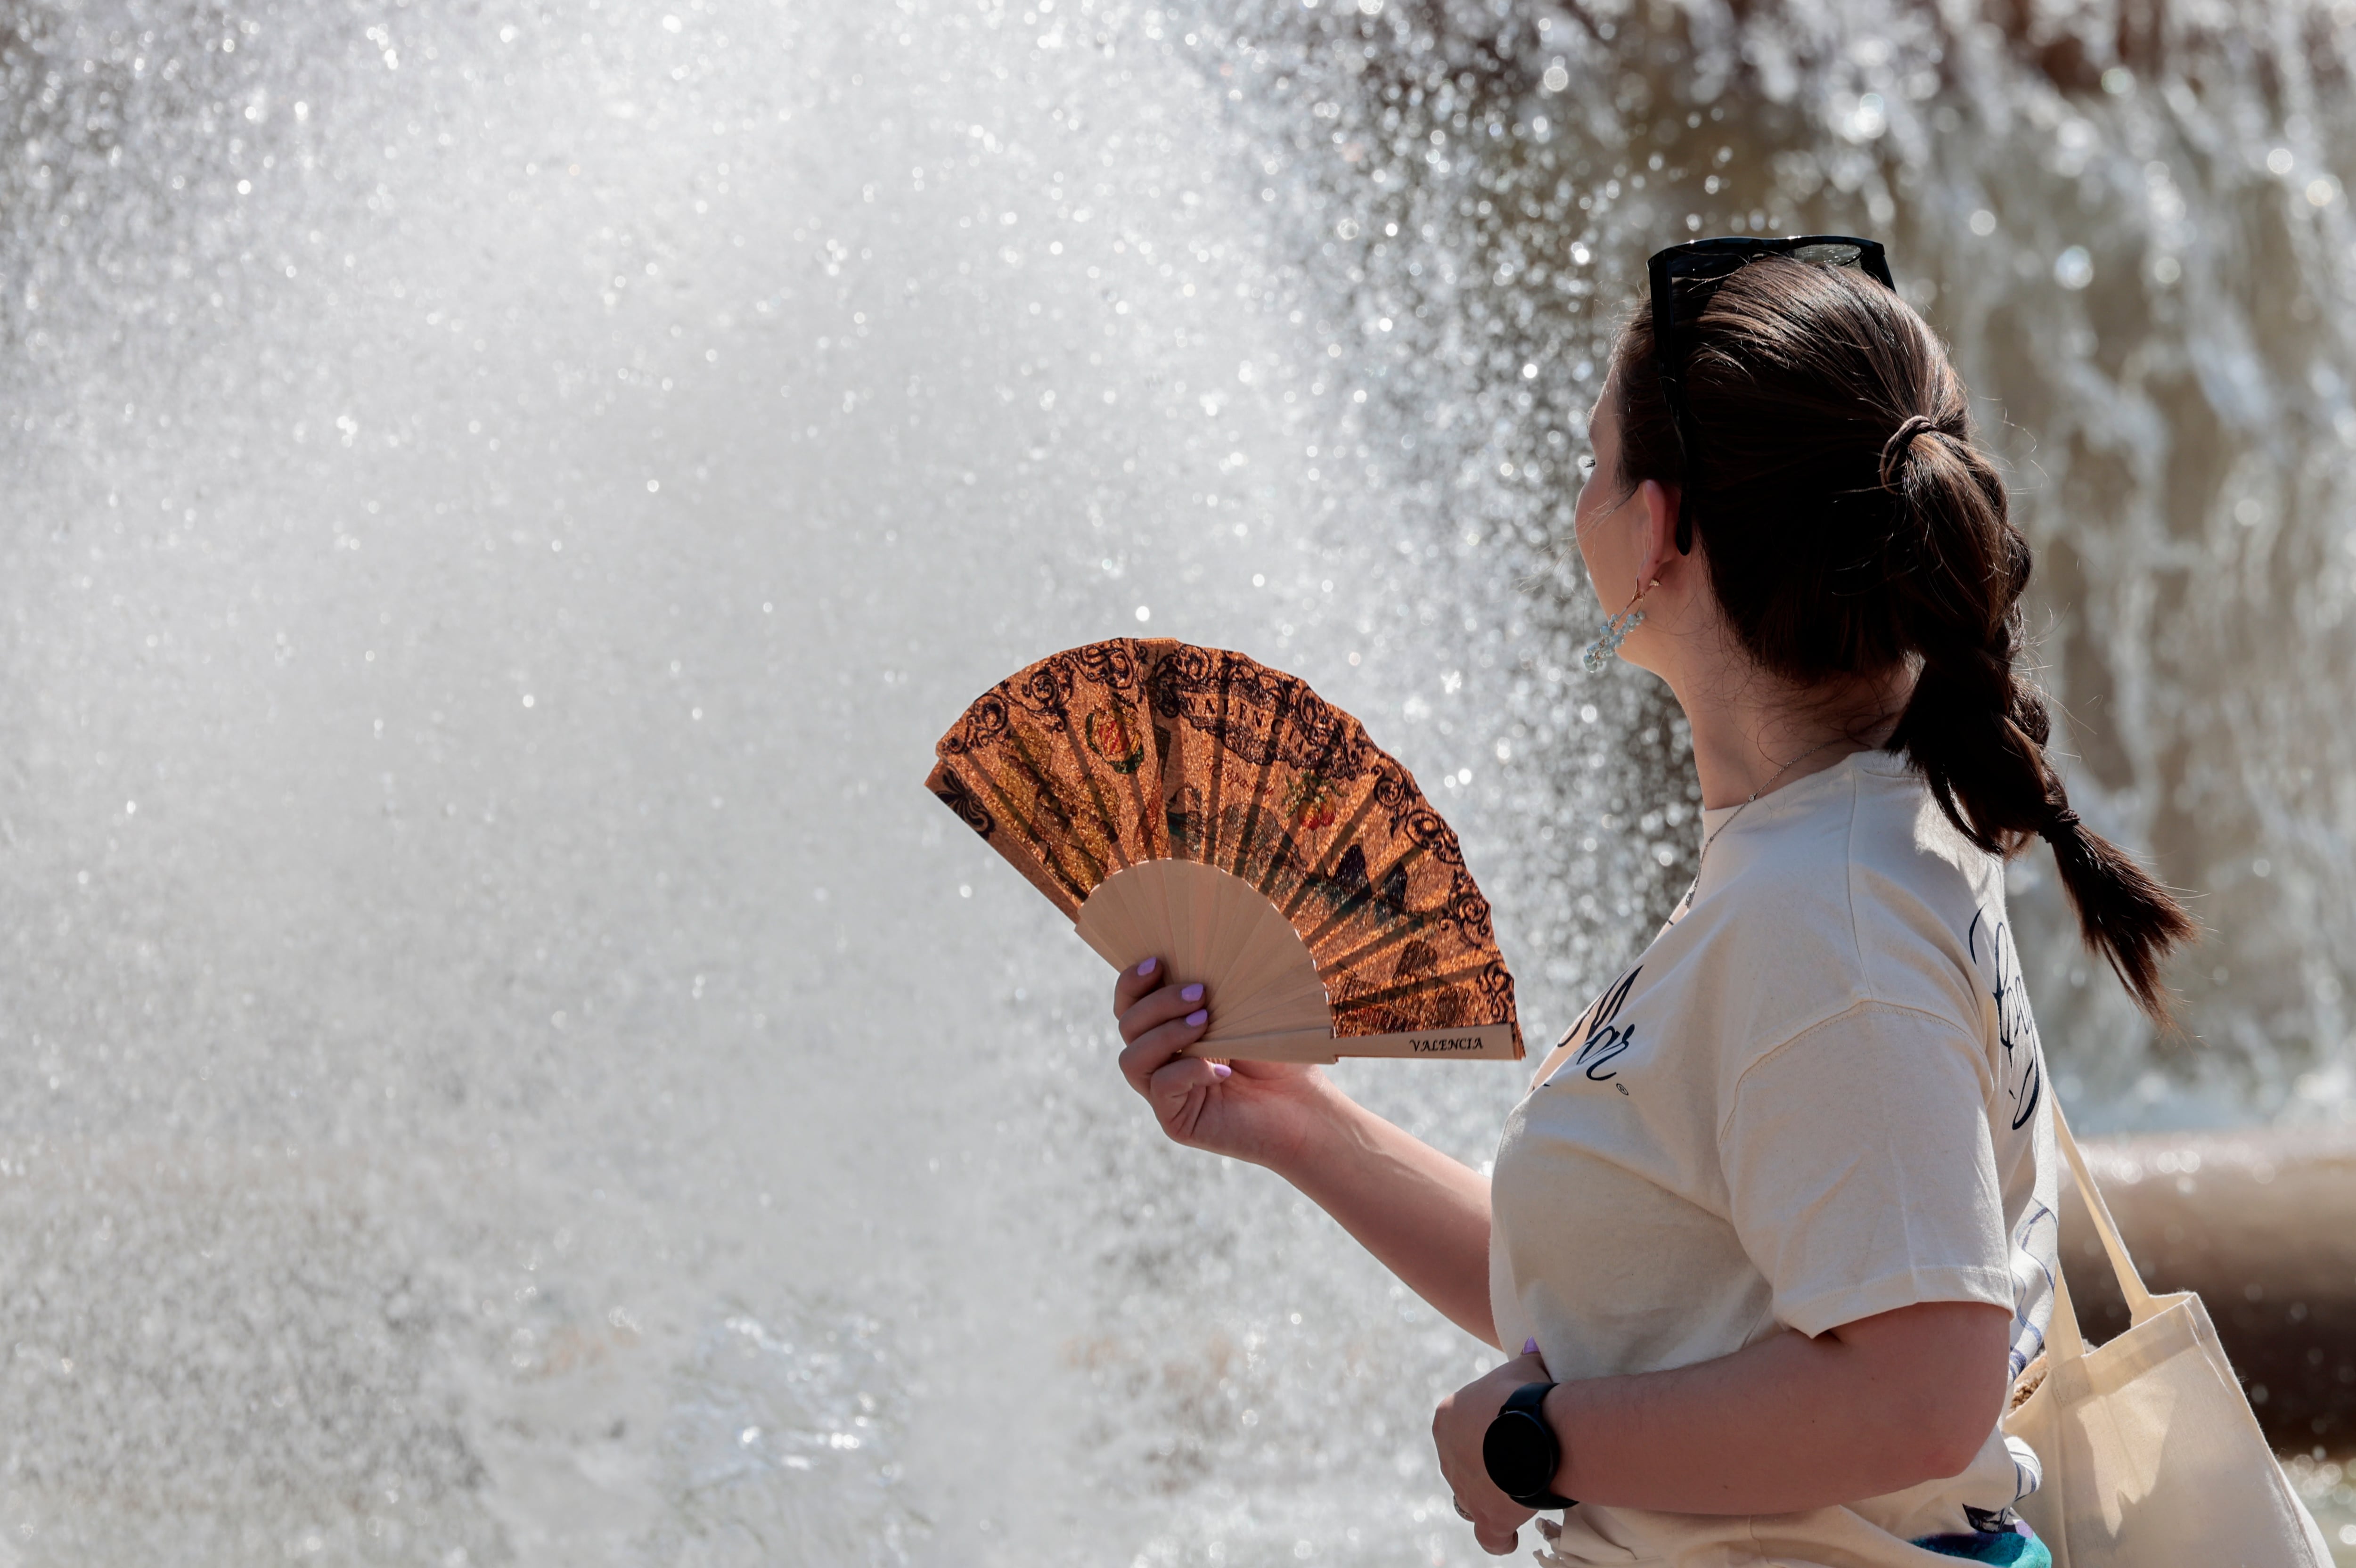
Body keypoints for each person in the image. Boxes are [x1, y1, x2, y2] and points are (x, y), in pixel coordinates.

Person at [1107, 238, 2194, 1567]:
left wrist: (1542, 1443)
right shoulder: (1835, 846)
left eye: (1592, 463)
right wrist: (1295, 1122)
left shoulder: (1828, 919)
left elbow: (1921, 1390)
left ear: (1661, 529)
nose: (1576, 505)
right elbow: (1643, 1298)